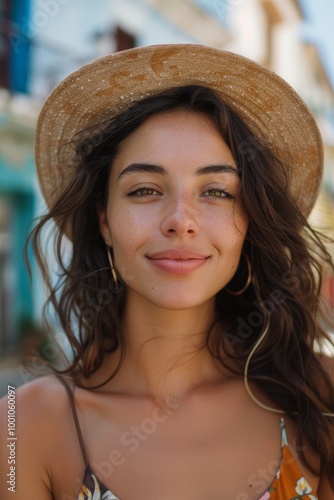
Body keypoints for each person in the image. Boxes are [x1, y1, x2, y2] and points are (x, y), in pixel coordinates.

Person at [0, 44, 334, 500]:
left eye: (216, 191)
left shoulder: (319, 398)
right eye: (144, 190)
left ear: (250, 222)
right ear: (104, 219)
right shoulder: (23, 430)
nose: (181, 219)